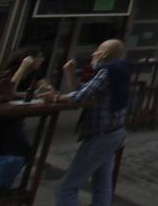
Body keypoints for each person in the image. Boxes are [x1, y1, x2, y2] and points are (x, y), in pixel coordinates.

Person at [54, 38, 130, 206]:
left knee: (66, 188)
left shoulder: (108, 72)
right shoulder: (119, 71)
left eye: (98, 49)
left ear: (104, 53)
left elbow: (80, 96)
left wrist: (54, 98)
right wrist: (69, 73)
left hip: (101, 136)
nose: (94, 53)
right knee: (102, 184)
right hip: (115, 134)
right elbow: (84, 90)